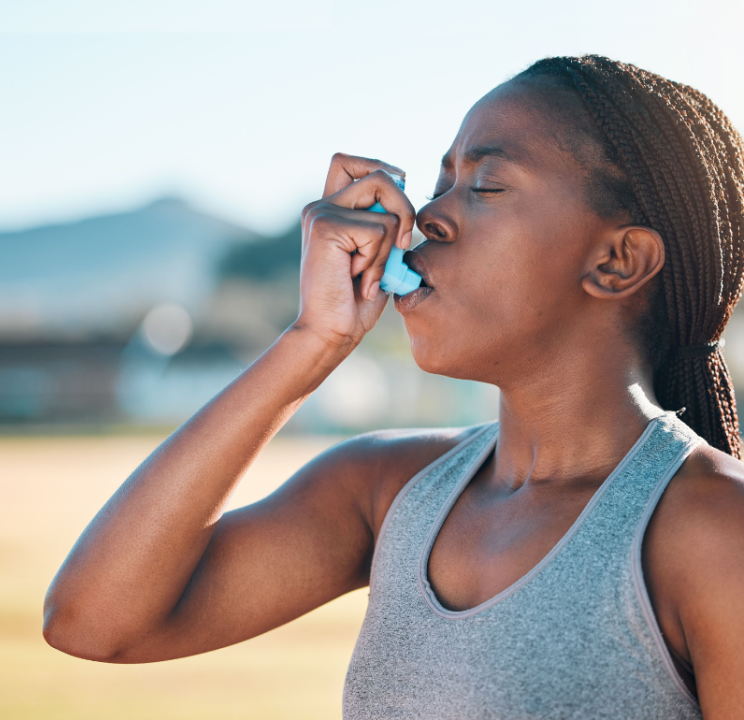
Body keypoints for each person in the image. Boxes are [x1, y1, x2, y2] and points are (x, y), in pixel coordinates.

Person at [43, 55, 744, 718]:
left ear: (618, 261)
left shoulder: (715, 532)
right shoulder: (385, 490)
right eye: (439, 184)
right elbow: (94, 622)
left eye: (487, 185)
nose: (425, 217)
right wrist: (312, 341)